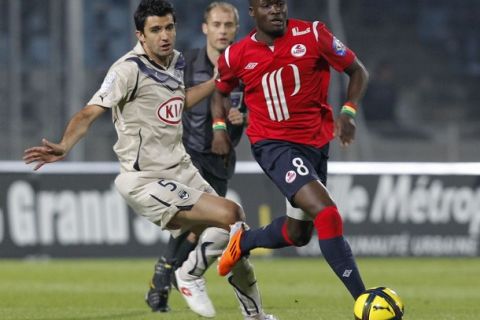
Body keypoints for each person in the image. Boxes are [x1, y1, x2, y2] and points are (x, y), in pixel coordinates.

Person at [23, 1, 275, 319]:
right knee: (231, 213)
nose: (164, 35)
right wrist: (64, 144)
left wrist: (214, 83)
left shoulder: (176, 61)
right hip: (145, 179)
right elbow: (89, 113)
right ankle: (188, 274)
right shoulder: (127, 69)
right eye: (155, 30)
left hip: (181, 167)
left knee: (236, 234)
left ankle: (254, 315)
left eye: (169, 27)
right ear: (140, 35)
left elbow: (176, 102)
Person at [212, 0, 370, 306]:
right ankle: (363, 299)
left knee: (298, 234)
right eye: (266, 5)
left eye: (280, 3)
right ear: (252, 12)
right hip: (273, 145)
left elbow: (357, 71)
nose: (275, 10)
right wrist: (220, 126)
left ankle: (242, 241)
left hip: (315, 145)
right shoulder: (235, 55)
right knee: (327, 213)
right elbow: (221, 91)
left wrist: (348, 112)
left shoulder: (313, 35)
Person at [145, 1, 248, 313]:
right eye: (216, 25)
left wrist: (243, 116)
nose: (222, 31)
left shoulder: (246, 64)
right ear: (205, 28)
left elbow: (255, 105)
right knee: (198, 216)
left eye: (228, 25)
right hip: (189, 154)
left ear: (236, 29)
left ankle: (167, 275)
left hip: (223, 157)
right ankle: (166, 275)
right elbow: (167, 102)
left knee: (202, 225)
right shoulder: (187, 63)